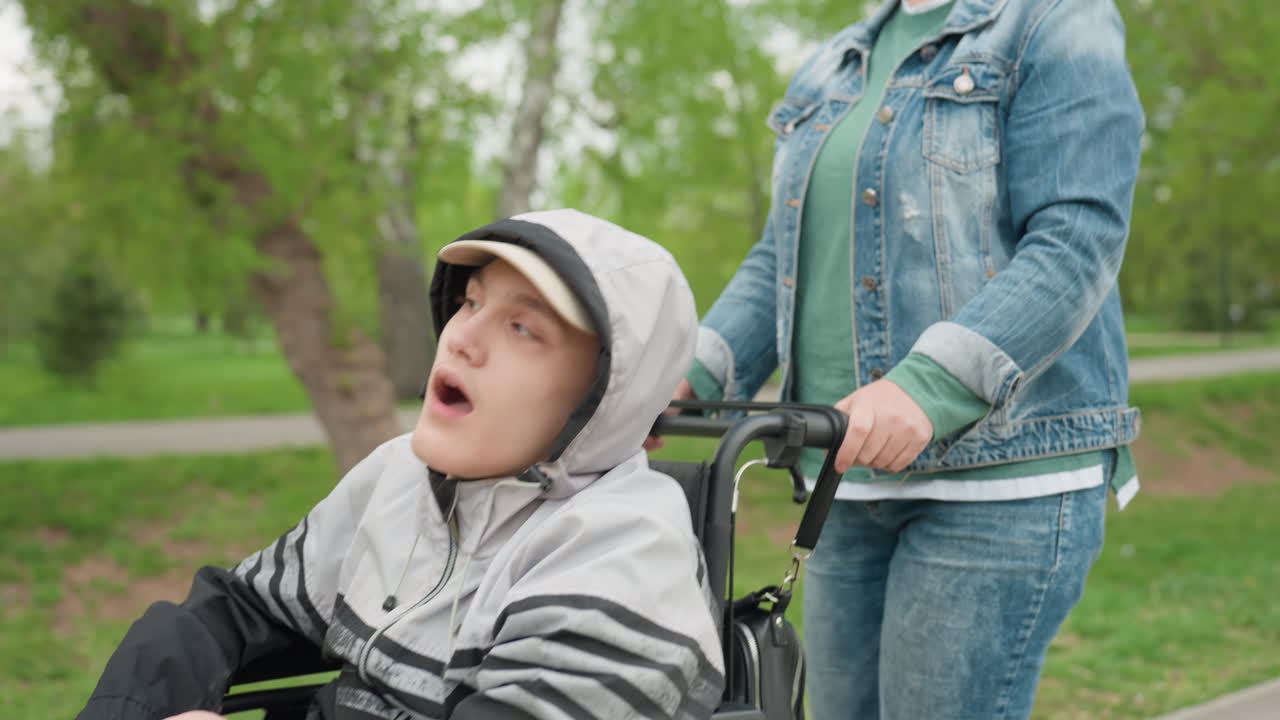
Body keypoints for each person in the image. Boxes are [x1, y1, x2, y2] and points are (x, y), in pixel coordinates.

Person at [666, 0, 1145, 717]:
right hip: (844, 477)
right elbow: (781, 260)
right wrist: (685, 376)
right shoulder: (834, 62)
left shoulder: (1056, 21)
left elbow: (1077, 238)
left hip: (1000, 477)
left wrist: (926, 387)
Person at [76, 209, 725, 720]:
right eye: (471, 303)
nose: (462, 337)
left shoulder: (621, 564)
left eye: (523, 329)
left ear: (604, 395)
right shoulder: (398, 476)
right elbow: (240, 608)